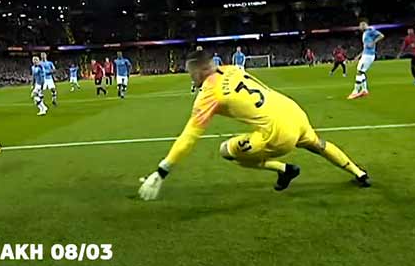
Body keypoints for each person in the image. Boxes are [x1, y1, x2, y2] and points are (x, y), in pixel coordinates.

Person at [136, 52, 371, 200]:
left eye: (192, 74)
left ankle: (283, 169)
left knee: (226, 151)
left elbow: (188, 137)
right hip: (292, 110)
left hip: (277, 132)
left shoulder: (208, 95)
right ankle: (359, 173)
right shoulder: (232, 68)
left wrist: (162, 171)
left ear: (201, 71)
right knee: (318, 144)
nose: (191, 78)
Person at [349, 20, 384, 99]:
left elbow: (381, 35)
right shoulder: (365, 33)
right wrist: (359, 56)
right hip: (366, 54)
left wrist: (373, 42)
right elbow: (366, 47)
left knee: (359, 72)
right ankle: (364, 90)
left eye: (363, 25)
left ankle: (355, 91)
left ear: (366, 25)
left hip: (368, 55)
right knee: (361, 72)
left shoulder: (370, 30)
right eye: (360, 25)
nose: (361, 27)